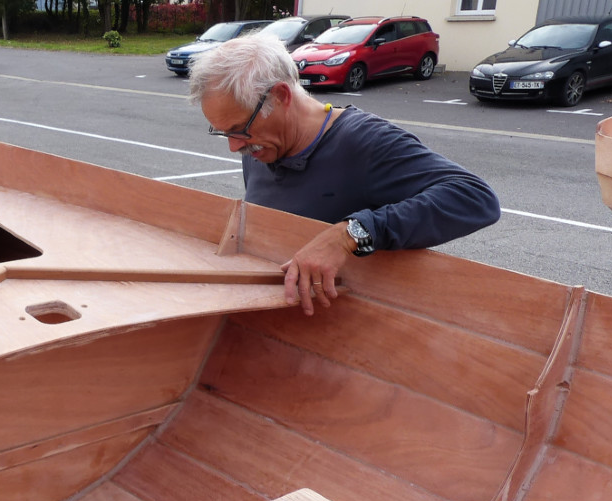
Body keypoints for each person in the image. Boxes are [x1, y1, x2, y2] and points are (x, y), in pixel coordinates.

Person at [188, 34, 501, 315]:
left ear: (282, 96)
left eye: (239, 129)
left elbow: (475, 199)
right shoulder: (259, 145)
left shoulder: (364, 143)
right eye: (223, 132)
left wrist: (351, 234)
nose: (233, 146)